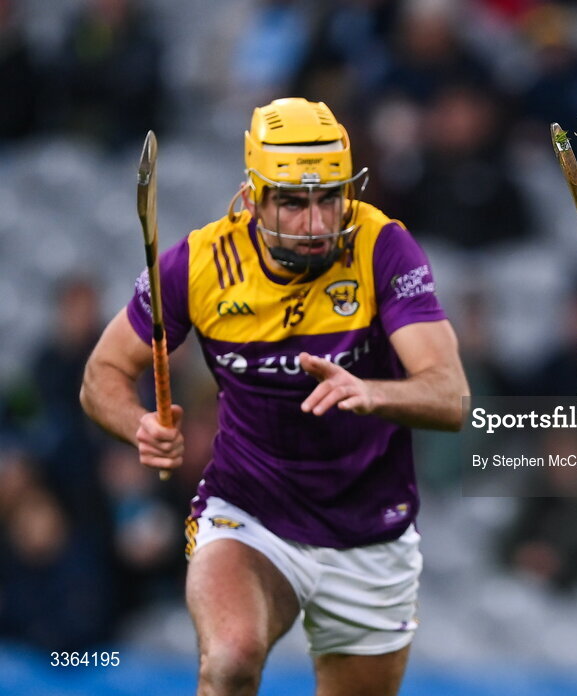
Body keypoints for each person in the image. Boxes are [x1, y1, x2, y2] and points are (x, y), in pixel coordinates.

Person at [81, 97, 468, 696]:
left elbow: (450, 396)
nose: (316, 223)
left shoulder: (381, 246)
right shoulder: (199, 265)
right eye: (293, 202)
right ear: (254, 197)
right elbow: (101, 373)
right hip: (250, 513)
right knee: (231, 661)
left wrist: (371, 392)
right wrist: (138, 425)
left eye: (329, 198)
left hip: (371, 529)